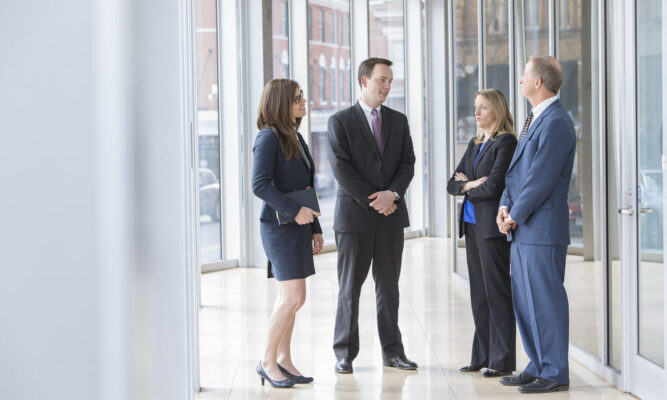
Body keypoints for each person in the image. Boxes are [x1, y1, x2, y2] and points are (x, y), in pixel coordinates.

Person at [327, 57, 417, 374]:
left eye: (390, 81)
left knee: (389, 289)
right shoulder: (340, 122)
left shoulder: (399, 120)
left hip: (391, 216)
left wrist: (392, 194)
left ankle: (392, 351)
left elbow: (408, 162)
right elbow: (342, 170)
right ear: (364, 81)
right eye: (382, 80)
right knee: (349, 288)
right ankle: (344, 353)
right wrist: (375, 199)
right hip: (354, 220)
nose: (387, 87)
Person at [496, 56, 575, 394]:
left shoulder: (556, 121)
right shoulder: (534, 118)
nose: (520, 80)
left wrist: (514, 214)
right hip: (524, 227)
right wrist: (503, 205)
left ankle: (555, 370)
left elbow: (541, 178)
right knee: (526, 300)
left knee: (545, 300)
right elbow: (517, 173)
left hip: (540, 228)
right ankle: (538, 363)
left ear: (538, 82)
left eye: (524, 75)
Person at [252, 79, 325, 388]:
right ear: (281, 103)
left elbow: (306, 187)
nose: (303, 101)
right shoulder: (268, 137)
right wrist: (296, 212)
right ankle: (267, 361)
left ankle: (284, 360)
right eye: (297, 98)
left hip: (298, 226)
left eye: (302, 97)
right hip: (279, 228)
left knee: (291, 298)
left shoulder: (292, 135)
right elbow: (260, 185)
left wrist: (315, 227)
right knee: (294, 298)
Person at [447, 89, 517, 378]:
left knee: (496, 292)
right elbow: (452, 184)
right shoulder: (476, 143)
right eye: (476, 107)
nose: (477, 112)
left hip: (491, 229)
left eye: (483, 107)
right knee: (478, 293)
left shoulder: (507, 142)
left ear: (497, 112)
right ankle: (481, 355)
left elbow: (496, 186)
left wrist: (471, 185)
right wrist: (472, 184)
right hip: (472, 226)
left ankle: (502, 360)